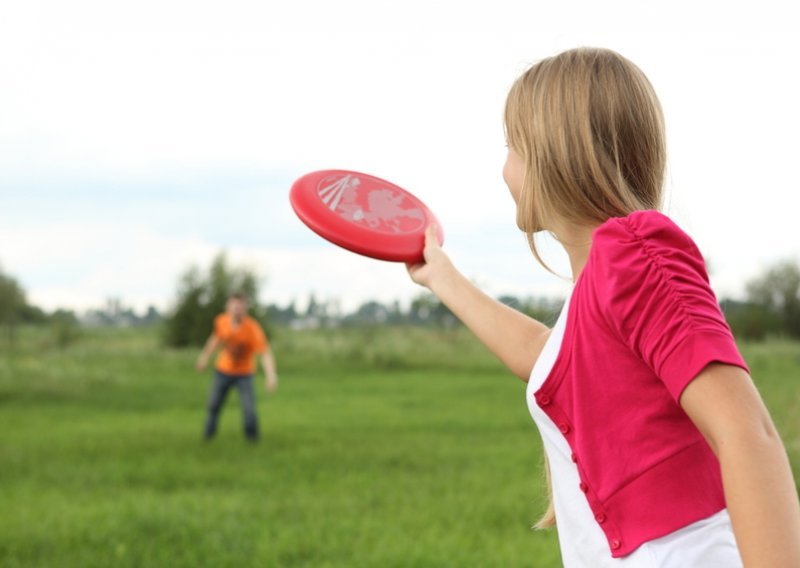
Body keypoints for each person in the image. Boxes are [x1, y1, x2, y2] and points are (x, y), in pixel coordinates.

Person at [407, 47, 800, 567]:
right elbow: (546, 355)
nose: (504, 168)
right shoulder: (598, 285)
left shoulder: (636, 251)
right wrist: (444, 278)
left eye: (513, 145)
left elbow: (748, 434)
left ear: (555, 152)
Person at [196, 292, 278, 441]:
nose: (236, 309)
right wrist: (204, 357)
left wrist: (271, 376)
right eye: (233, 306)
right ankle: (207, 437)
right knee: (213, 405)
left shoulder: (252, 328)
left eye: (240, 307)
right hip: (223, 371)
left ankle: (252, 441)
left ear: (245, 308)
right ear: (227, 307)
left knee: (249, 409)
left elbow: (264, 352)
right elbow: (215, 339)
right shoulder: (221, 321)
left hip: (244, 374)